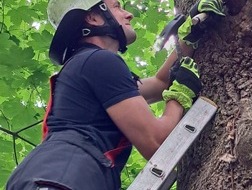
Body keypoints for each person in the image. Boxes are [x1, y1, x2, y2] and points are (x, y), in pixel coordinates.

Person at [6, 0, 225, 189]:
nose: (128, 13)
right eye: (117, 7)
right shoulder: (99, 62)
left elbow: (160, 83)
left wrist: (189, 37)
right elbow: (157, 143)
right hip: (62, 179)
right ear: (93, 17)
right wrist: (180, 95)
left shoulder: (87, 70)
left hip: (56, 178)